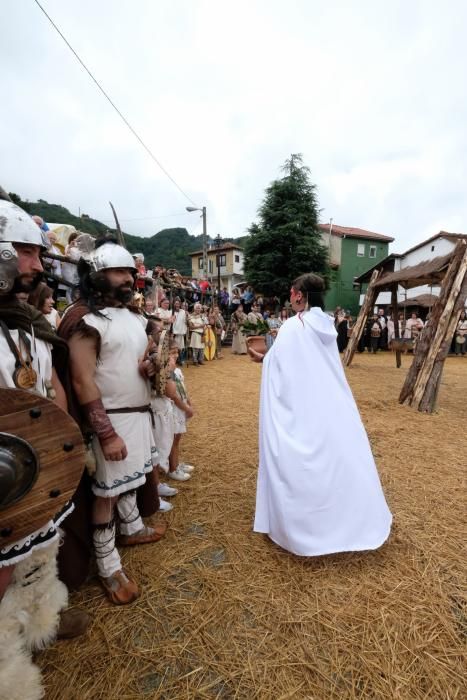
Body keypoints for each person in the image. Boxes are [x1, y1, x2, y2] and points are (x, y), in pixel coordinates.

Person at [0, 200, 88, 700]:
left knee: (39, 552)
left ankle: (40, 626)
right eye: (27, 253)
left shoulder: (29, 324)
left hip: (34, 467)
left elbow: (49, 390)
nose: (38, 265)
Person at [248, 272, 392, 556]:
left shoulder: (294, 326)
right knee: (338, 458)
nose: (291, 296)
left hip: (303, 407)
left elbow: (284, 367)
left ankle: (307, 528)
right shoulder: (326, 324)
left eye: (292, 292)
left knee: (301, 462)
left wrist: (265, 360)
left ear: (300, 295)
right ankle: (349, 520)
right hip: (331, 404)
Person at [61, 238, 166, 605]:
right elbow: (81, 380)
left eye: (130, 272)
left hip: (137, 416)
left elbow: (135, 364)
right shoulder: (84, 321)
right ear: (96, 275)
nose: (128, 279)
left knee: (130, 483)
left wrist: (149, 365)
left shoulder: (134, 318)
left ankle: (132, 528)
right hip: (111, 421)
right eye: (119, 271)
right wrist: (104, 433)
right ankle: (108, 566)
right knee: (106, 495)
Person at [172, 297, 188, 364]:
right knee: (174, 348)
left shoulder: (183, 312)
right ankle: (174, 360)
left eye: (178, 303)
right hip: (174, 333)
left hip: (181, 333)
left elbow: (186, 321)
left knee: (181, 348)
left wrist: (187, 316)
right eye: (176, 303)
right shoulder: (171, 312)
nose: (177, 305)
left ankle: (181, 360)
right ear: (174, 304)